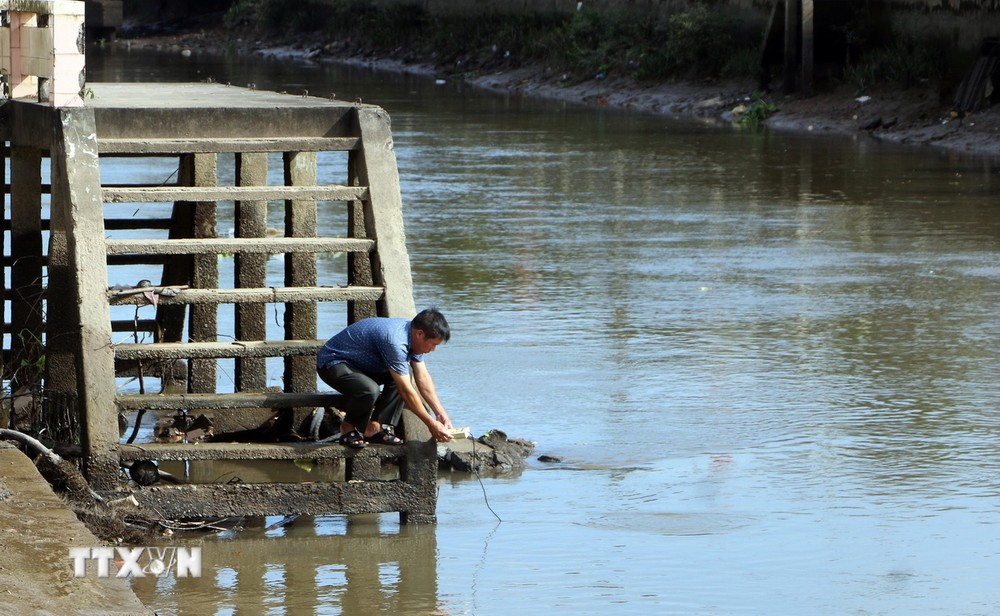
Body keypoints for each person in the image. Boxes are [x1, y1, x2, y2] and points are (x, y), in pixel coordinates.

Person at [316, 308, 454, 448]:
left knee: (405, 374)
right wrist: (431, 424)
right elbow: (406, 390)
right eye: (433, 344)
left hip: (363, 366)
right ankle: (348, 427)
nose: (433, 349)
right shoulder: (395, 341)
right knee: (370, 389)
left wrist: (441, 414)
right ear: (420, 334)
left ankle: (374, 428)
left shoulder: (414, 338)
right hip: (333, 363)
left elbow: (423, 377)